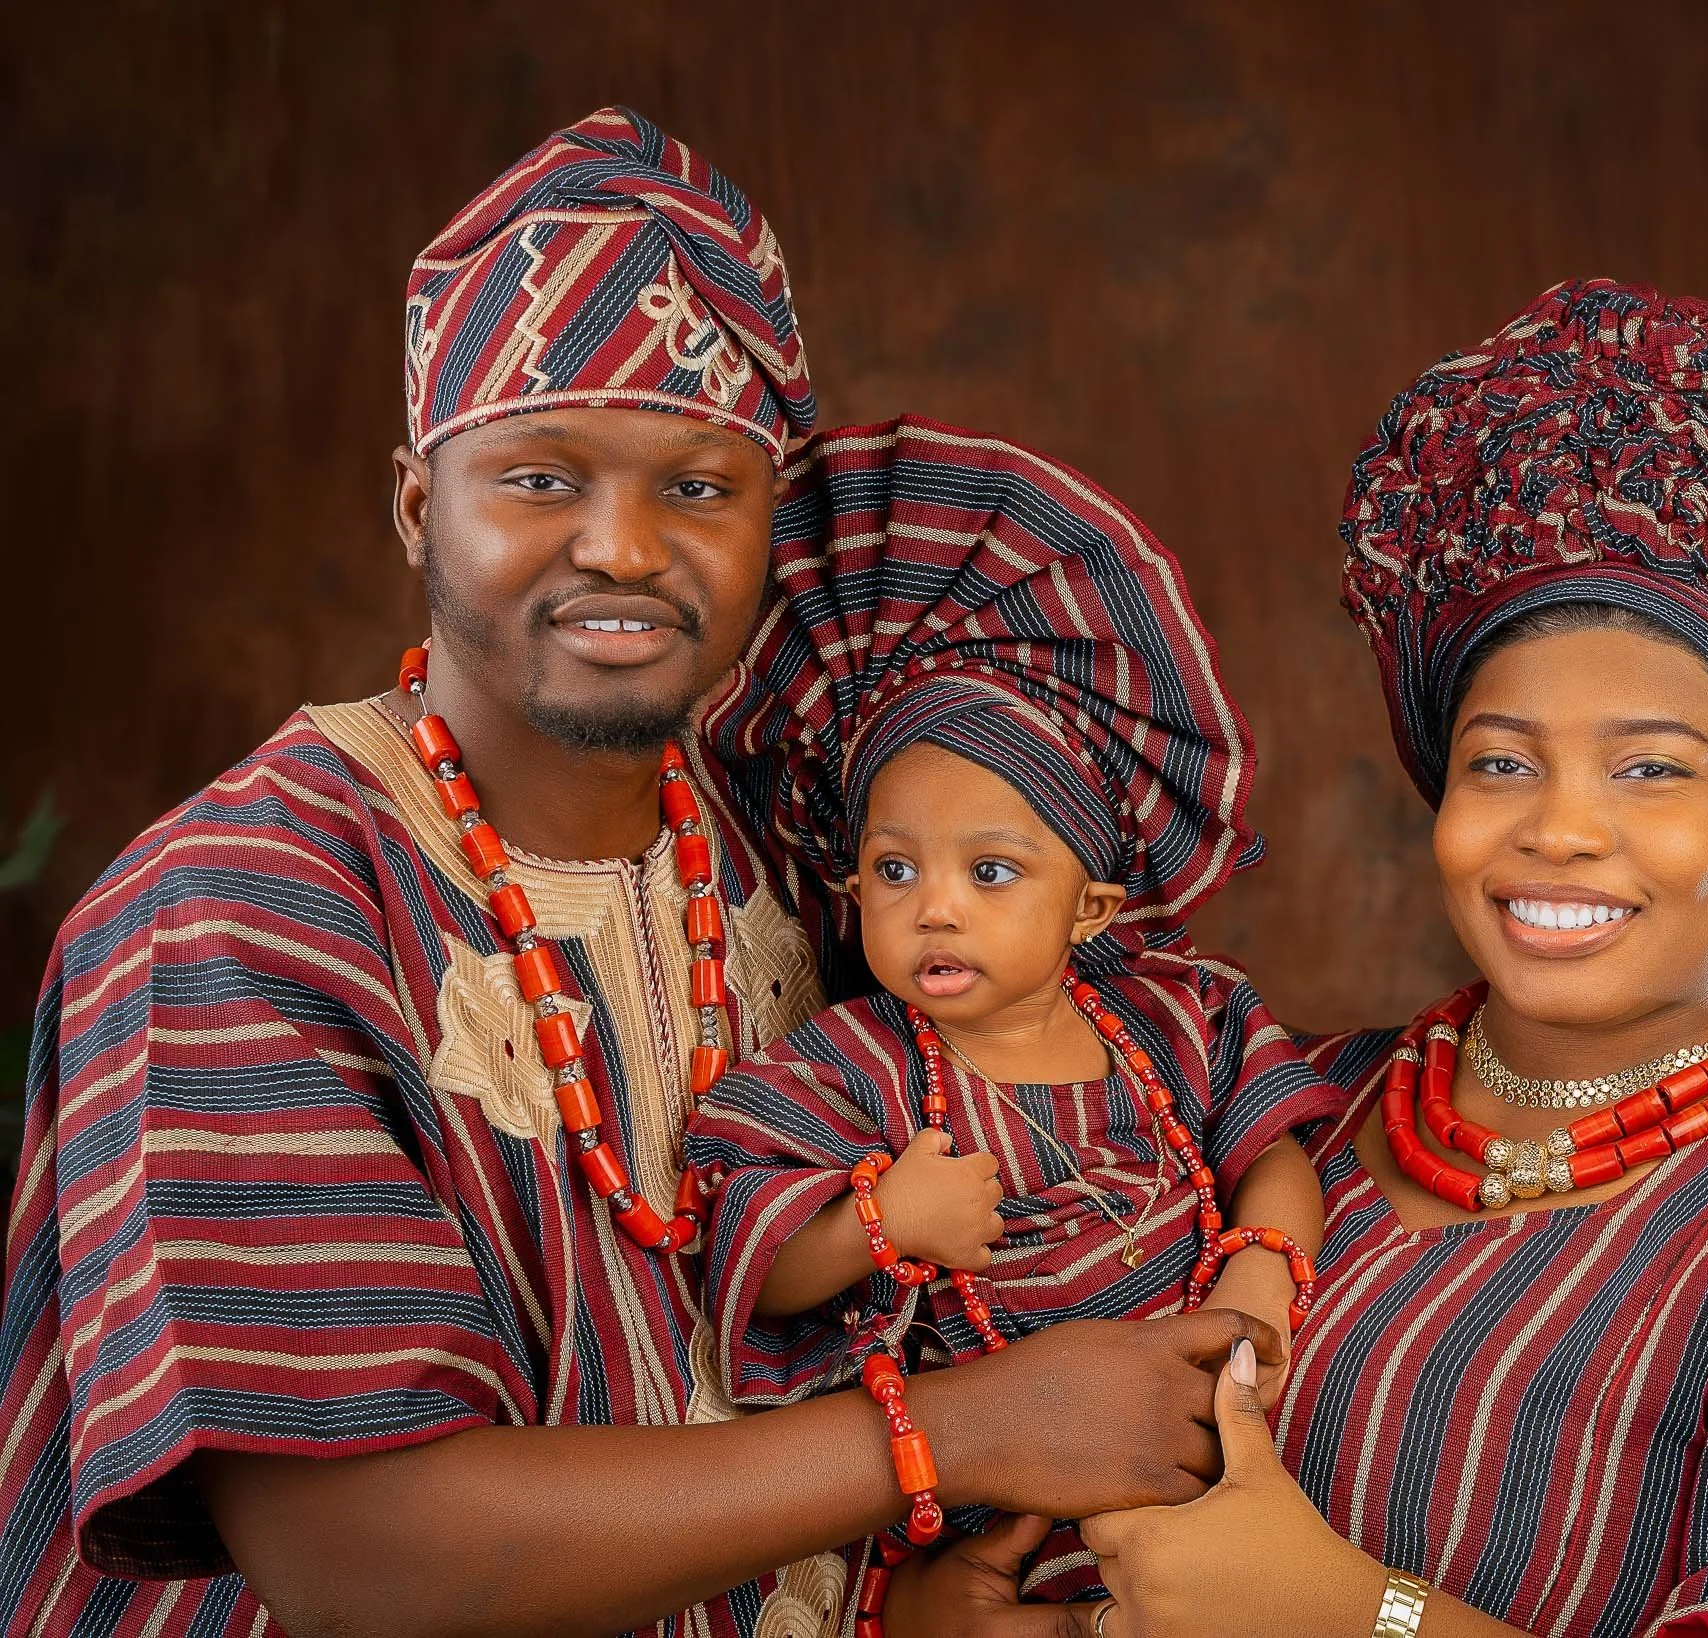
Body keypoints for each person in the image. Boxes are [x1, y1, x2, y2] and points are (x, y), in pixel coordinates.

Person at [0, 108, 1278, 1638]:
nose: (621, 547)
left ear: (768, 521)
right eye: (540, 478)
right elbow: (356, 1555)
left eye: (696, 486)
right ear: (420, 503)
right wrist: (963, 1430)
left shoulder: (797, 863)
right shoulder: (238, 907)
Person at [940, 280, 1708, 1637]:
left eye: (1650, 769)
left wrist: (1350, 1611)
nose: (1561, 827)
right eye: (1502, 761)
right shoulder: (1280, 1107)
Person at [684, 414, 1340, 1608]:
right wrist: (877, 1224)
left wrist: (1258, 1276)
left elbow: (1273, 1154)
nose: (934, 911)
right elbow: (754, 1251)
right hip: (995, 1516)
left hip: (1219, 1465)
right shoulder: (861, 1063)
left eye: (988, 874)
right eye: (894, 871)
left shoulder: (1173, 1021)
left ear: (1088, 907)